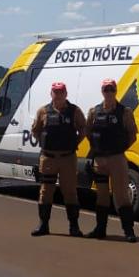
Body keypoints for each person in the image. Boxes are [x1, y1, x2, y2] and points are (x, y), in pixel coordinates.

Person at [84, 78, 138, 242]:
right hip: (100, 160)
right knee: (101, 196)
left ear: (116, 91)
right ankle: (100, 229)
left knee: (121, 196)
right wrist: (96, 148)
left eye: (111, 89)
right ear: (102, 91)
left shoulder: (125, 112)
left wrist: (119, 148)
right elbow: (88, 132)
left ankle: (128, 231)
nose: (108, 92)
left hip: (117, 159)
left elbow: (132, 135)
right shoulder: (94, 111)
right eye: (106, 89)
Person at [30, 82, 85, 237]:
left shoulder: (74, 111)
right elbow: (36, 130)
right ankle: (43, 225)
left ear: (66, 94)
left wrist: (75, 142)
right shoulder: (43, 111)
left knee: (70, 192)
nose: (58, 95)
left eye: (61, 92)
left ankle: (74, 227)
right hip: (48, 158)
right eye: (55, 92)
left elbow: (83, 128)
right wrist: (45, 142)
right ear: (51, 94)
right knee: (45, 191)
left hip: (68, 158)